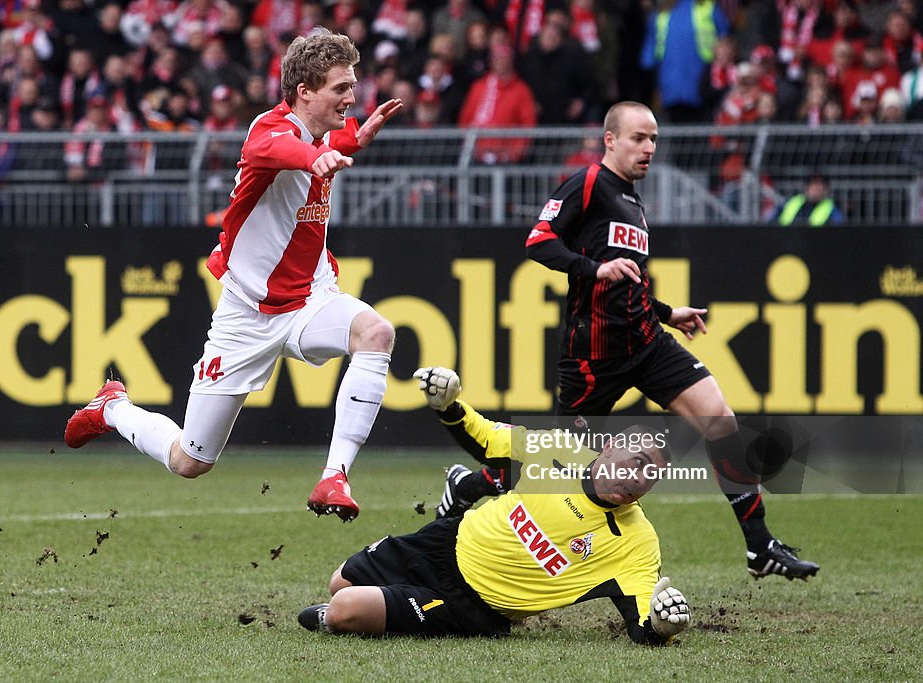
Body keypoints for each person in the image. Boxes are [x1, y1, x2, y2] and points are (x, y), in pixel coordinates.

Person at [63, 28, 404, 522]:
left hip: (310, 300)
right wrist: (320, 155)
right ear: (303, 92)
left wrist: (350, 140)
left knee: (376, 331)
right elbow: (287, 152)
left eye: (352, 85)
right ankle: (113, 408)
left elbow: (318, 144)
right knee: (189, 460)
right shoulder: (267, 132)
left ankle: (335, 477)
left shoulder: (321, 135)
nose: (352, 96)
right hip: (246, 314)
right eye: (340, 88)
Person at [474, 101, 814, 580]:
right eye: (638, 138)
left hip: (647, 344)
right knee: (553, 464)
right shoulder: (590, 182)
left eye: (654, 138)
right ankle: (471, 487)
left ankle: (759, 547)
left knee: (720, 421)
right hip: (595, 355)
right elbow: (538, 241)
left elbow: (628, 282)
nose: (649, 148)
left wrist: (667, 313)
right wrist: (594, 268)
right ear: (610, 139)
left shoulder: (633, 202)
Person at [298, 366, 691, 642]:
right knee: (339, 582)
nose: (638, 479)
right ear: (609, 448)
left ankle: (358, 612)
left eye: (650, 477)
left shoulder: (636, 543)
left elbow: (642, 620)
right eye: (637, 463)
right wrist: (450, 407)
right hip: (446, 540)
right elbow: (488, 440)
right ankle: (384, 596)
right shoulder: (559, 449)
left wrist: (660, 626)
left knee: (343, 608)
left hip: (469, 606)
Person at [773, 174, 845, 226]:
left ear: (826, 190)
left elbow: (838, 227)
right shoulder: (791, 202)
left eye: (820, 185)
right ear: (806, 187)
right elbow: (771, 222)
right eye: (813, 184)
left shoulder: (831, 208)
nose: (816, 189)